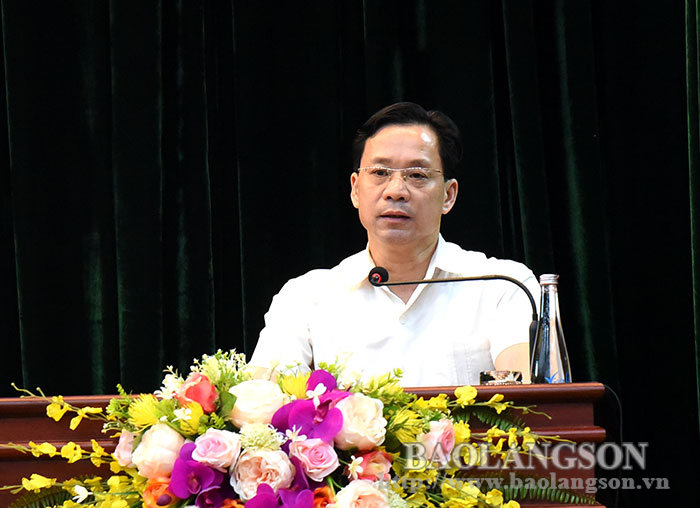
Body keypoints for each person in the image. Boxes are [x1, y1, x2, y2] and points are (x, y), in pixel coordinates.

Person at [250, 102, 539, 386]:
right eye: (380, 173)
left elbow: (531, 399)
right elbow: (263, 404)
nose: (396, 191)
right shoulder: (305, 297)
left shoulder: (504, 285)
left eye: (417, 175)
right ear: (355, 190)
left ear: (448, 195)